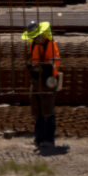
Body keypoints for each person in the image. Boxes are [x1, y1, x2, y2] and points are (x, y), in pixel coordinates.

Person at [22, 19, 61, 150]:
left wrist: (42, 68)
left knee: (47, 111)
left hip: (48, 82)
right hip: (36, 81)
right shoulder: (33, 44)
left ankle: (48, 140)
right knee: (36, 111)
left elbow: (54, 65)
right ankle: (39, 139)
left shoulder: (50, 45)